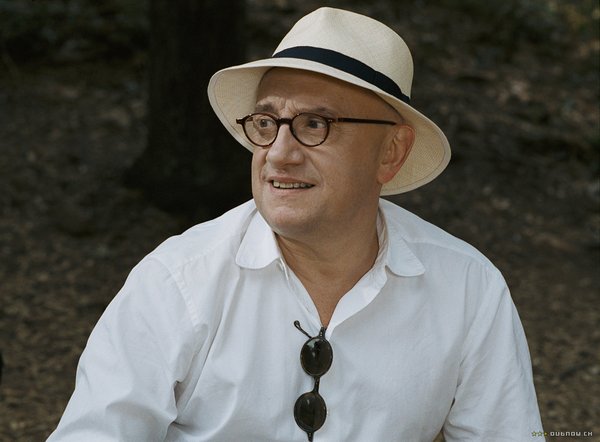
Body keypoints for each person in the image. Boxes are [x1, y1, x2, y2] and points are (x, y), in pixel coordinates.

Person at [48, 7, 543, 442]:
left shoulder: (468, 289)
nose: (279, 154)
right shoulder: (178, 281)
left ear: (391, 152)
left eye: (314, 125)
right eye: (266, 124)